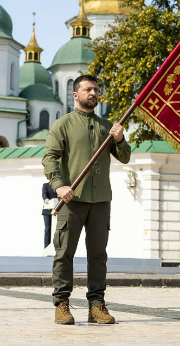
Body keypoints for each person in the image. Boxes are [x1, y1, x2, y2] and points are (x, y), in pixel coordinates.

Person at [42, 75, 131, 325]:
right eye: (87, 89)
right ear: (75, 95)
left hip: (101, 200)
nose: (93, 93)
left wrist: (120, 139)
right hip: (72, 200)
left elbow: (124, 157)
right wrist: (59, 186)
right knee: (64, 253)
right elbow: (49, 158)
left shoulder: (107, 127)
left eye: (96, 89)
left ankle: (96, 306)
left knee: (98, 255)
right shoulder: (63, 125)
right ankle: (61, 304)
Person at [42, 182, 57, 249]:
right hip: (48, 210)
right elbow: (44, 194)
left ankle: (56, 248)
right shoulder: (46, 185)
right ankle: (46, 247)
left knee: (57, 230)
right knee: (48, 229)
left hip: (57, 210)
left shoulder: (60, 186)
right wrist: (46, 199)